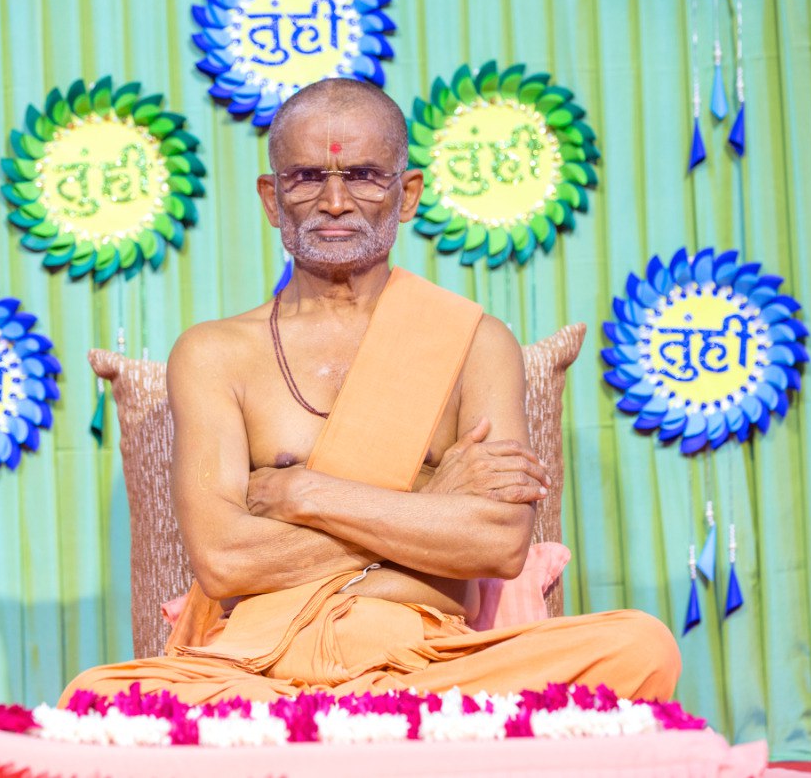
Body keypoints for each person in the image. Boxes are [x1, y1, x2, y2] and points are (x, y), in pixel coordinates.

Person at [60, 78, 679, 706]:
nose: (335, 202)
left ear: (406, 194)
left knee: (640, 645)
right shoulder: (214, 353)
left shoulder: (475, 342)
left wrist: (303, 493)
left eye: (363, 176)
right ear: (272, 199)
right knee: (96, 695)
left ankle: (338, 734)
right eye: (306, 178)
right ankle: (373, 734)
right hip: (262, 670)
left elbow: (498, 543)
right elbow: (223, 561)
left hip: (433, 666)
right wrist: (431, 506)